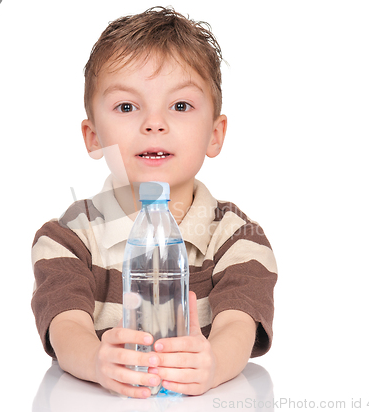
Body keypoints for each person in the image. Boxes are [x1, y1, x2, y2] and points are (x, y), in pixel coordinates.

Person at [31, 6, 277, 399]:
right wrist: (97, 360)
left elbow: (239, 326)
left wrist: (212, 364)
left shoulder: (238, 237)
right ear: (93, 137)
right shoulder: (67, 237)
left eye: (180, 106)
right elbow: (65, 327)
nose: (154, 124)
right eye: (127, 107)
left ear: (215, 134)